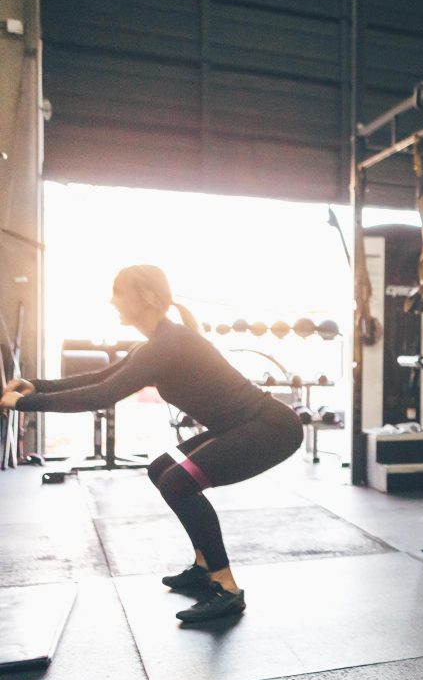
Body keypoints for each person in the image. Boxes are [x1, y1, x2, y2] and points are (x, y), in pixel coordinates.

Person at [1, 265, 302, 622]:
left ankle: (227, 588)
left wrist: (25, 404)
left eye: (118, 292)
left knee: (179, 482)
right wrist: (37, 385)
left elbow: (104, 394)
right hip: (243, 425)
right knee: (162, 469)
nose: (112, 301)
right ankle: (204, 565)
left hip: (270, 427)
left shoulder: (168, 343)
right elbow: (103, 377)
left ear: (143, 297)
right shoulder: (158, 343)